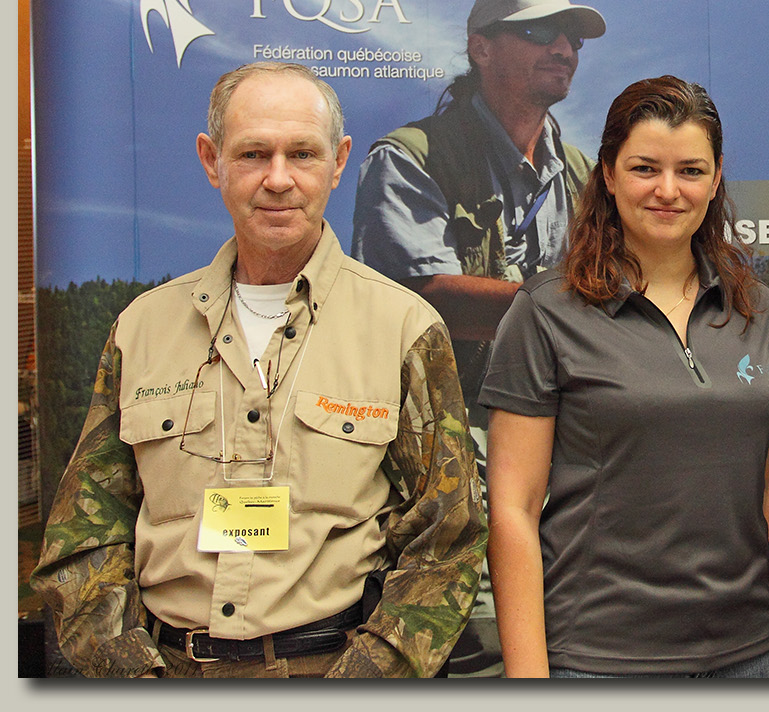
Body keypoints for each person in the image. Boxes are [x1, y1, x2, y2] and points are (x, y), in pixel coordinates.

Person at [31, 62, 487, 678]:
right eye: (252, 154)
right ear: (211, 160)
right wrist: (132, 676)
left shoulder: (405, 328)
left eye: (302, 153)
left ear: (338, 161)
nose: (278, 179)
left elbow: (448, 539)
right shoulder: (141, 329)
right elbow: (85, 534)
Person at [480, 76, 769, 678]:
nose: (668, 190)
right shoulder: (546, 312)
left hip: (751, 656)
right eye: (645, 169)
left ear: (716, 179)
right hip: (600, 663)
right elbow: (514, 510)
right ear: (608, 174)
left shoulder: (754, 306)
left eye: (690, 170)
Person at [351, 0, 605, 674]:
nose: (563, 48)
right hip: (445, 470)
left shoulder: (583, 173)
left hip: (564, 466)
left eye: (572, 37)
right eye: (539, 32)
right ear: (480, 47)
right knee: (481, 653)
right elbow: (418, 298)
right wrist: (567, 302)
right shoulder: (411, 157)